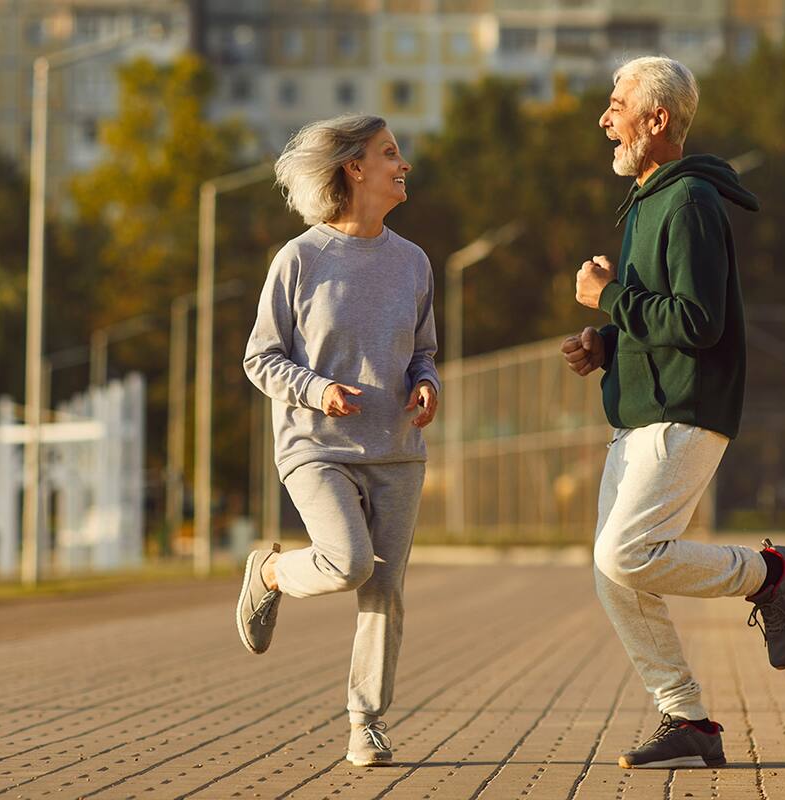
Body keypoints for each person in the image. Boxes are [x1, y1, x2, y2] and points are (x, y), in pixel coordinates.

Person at [561, 56, 785, 770]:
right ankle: (689, 720)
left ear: (657, 119)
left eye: (616, 105)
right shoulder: (648, 199)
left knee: (625, 553)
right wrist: (606, 343)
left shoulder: (690, 202)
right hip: (642, 409)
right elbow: (664, 315)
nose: (604, 119)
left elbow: (699, 322)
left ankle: (771, 573)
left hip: (685, 410)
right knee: (614, 574)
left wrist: (609, 300)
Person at [236, 114, 439, 768]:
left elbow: (426, 352)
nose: (402, 164)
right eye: (389, 153)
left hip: (398, 452)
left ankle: (365, 722)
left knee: (386, 590)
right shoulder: (300, 259)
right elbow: (260, 359)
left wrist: (427, 384)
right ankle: (268, 572)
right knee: (349, 562)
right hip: (316, 449)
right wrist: (316, 390)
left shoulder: (413, 262)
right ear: (354, 167)